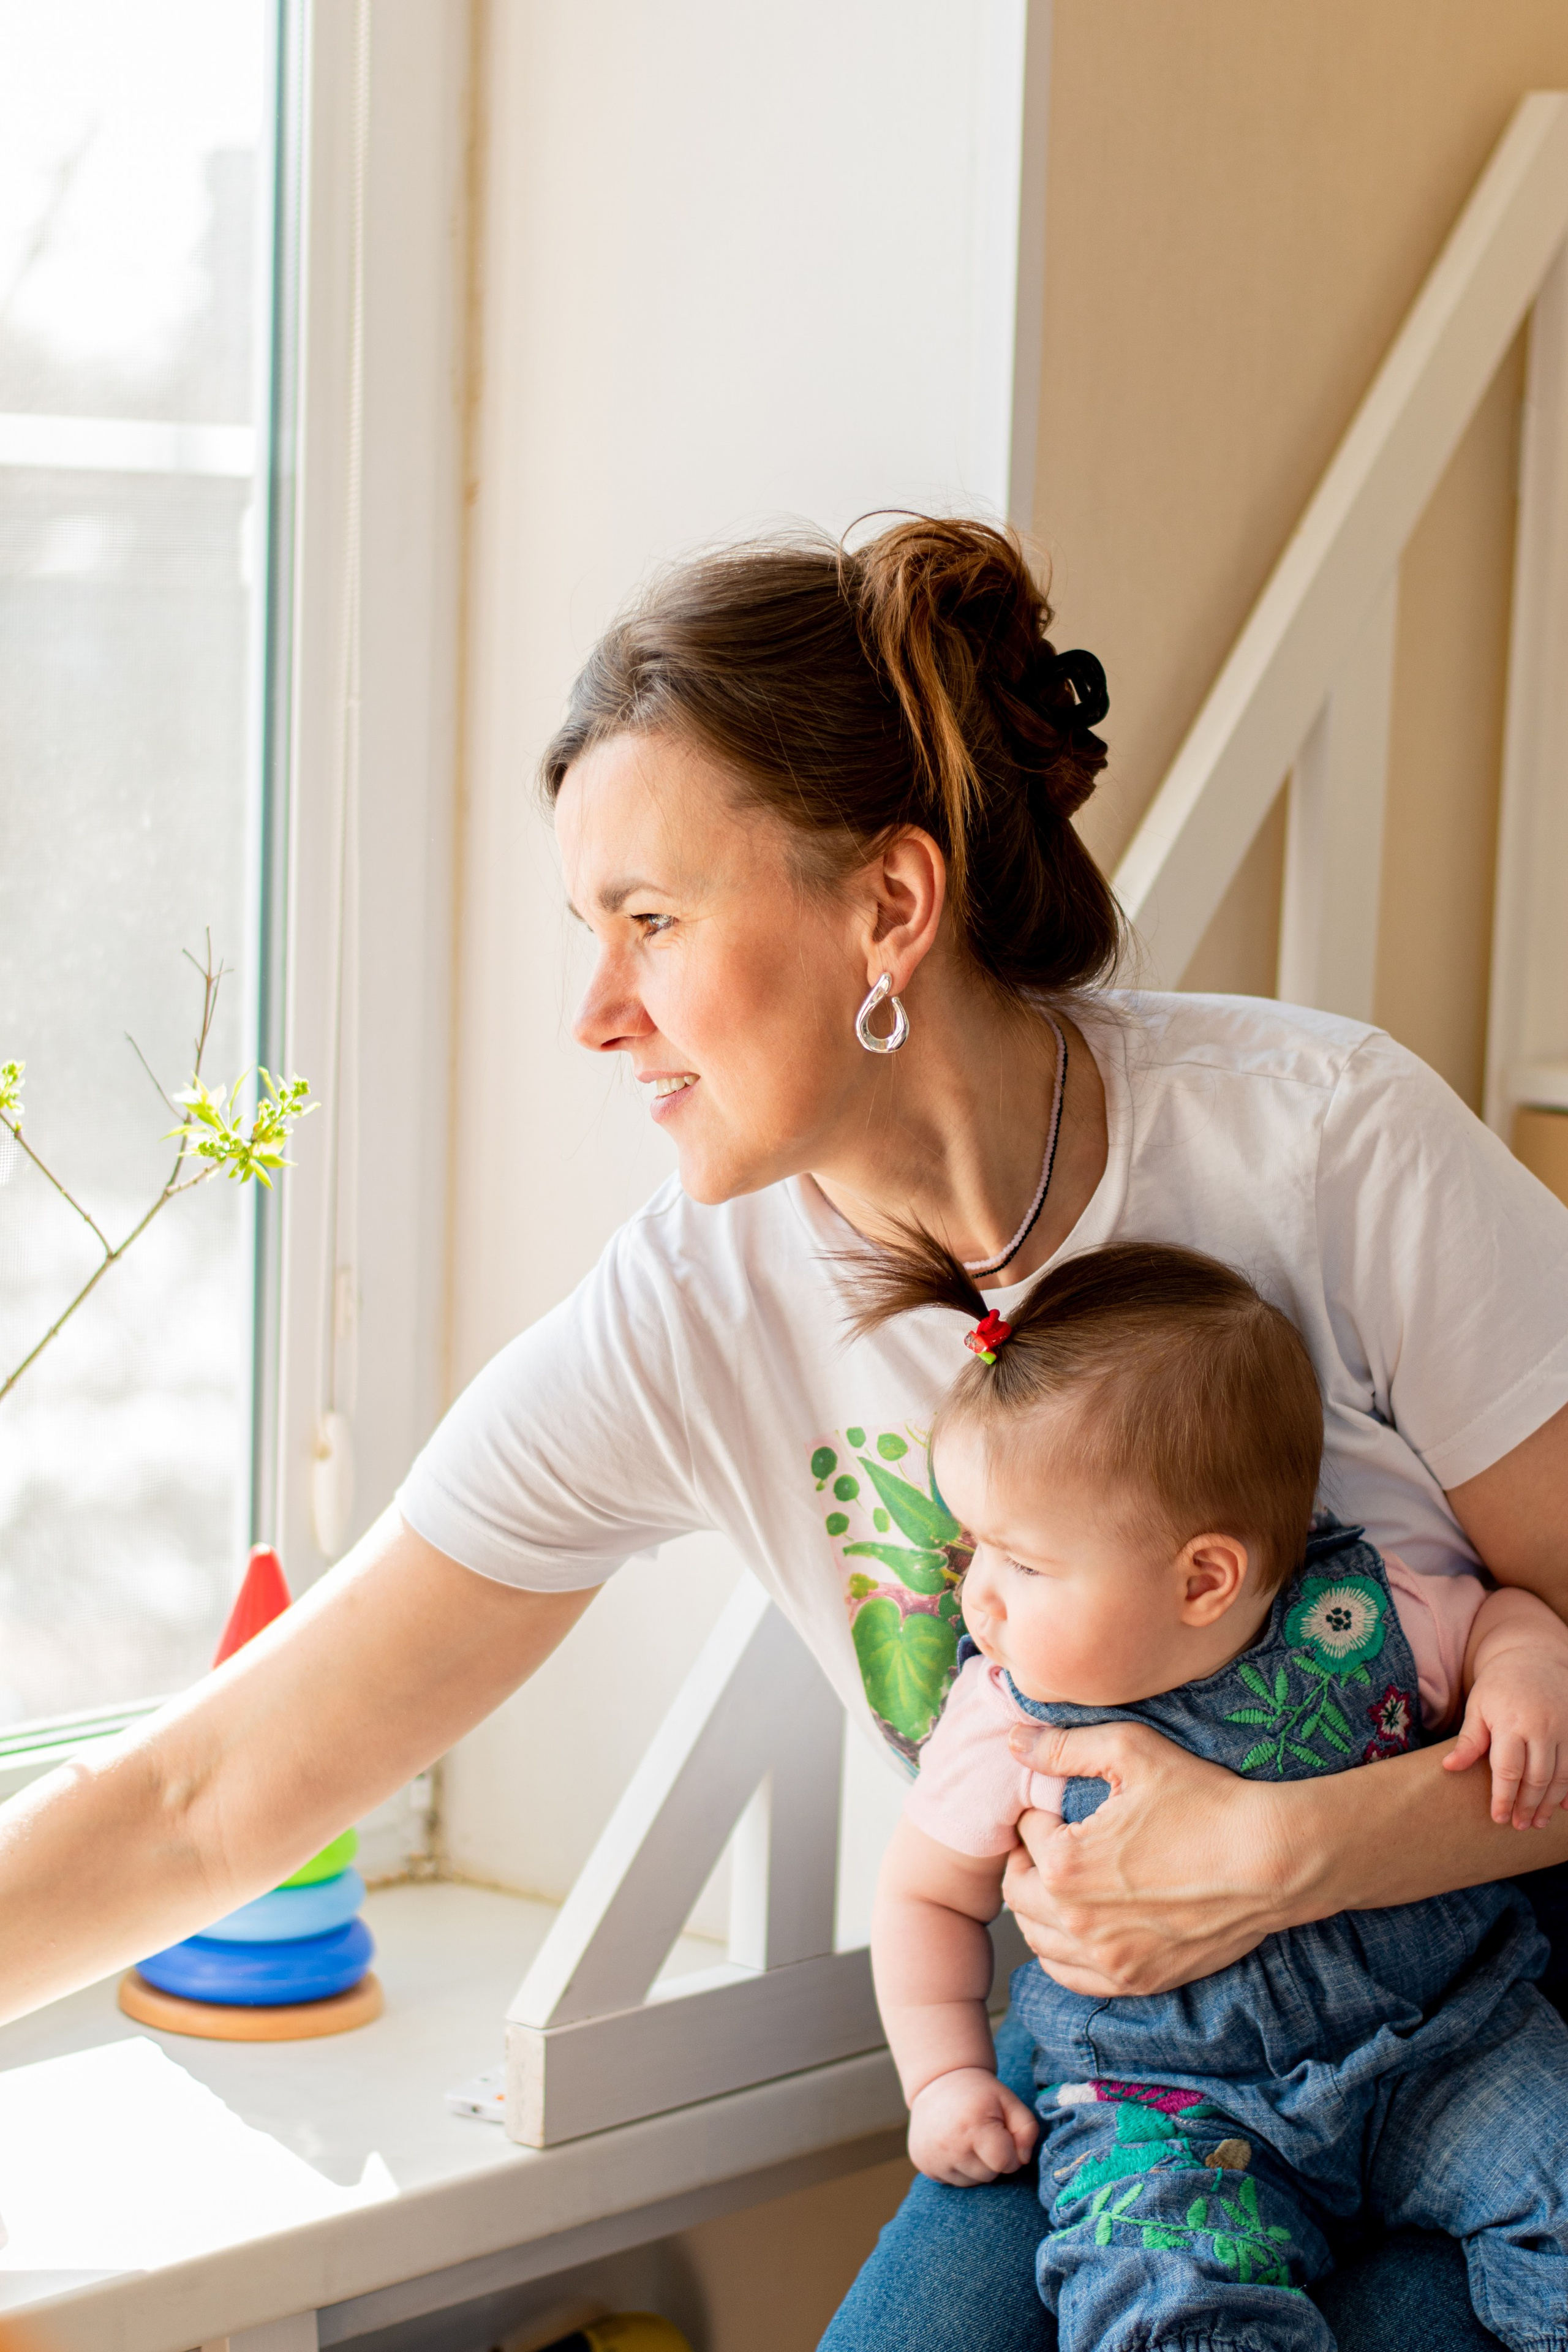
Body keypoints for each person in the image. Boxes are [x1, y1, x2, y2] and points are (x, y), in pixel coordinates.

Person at [2, 516, 1567, 2352]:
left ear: (890, 907)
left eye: (653, 923)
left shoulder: (1327, 1145)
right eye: (591, 932)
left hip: (1488, 2020)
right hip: (1148, 2113)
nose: (597, 1015)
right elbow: (213, 1790)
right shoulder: (690, 1312)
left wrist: (1303, 1851)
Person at [862, 1235, 1568, 2352]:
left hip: (1449, 2041)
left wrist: (1528, 1669)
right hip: (1169, 2110)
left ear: (1206, 1578)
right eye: (973, 1551)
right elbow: (924, 1900)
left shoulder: (1363, 1618)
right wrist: (943, 2076)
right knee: (1161, 2295)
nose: (978, 1599)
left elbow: (1499, 1618)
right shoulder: (1006, 1716)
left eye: (1023, 1563)